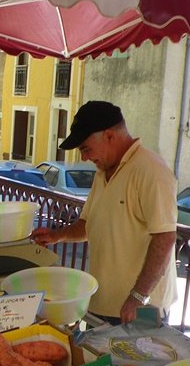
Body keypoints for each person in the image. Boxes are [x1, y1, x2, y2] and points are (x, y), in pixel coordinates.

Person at [31, 100, 178, 324]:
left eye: (86, 149)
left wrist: (137, 296)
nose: (85, 158)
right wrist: (56, 235)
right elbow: (87, 225)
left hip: (137, 312)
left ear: (110, 136)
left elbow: (165, 237)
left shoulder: (151, 171)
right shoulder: (104, 172)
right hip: (100, 304)